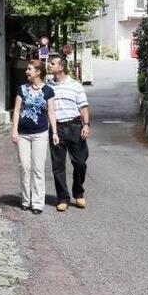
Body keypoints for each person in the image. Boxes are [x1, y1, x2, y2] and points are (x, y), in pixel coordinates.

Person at [10, 59, 58, 215]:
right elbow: (17, 110)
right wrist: (14, 130)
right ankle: (25, 200)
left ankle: (37, 203)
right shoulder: (22, 89)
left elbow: (51, 113)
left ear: (38, 72)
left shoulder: (48, 91)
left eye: (29, 69)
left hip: (40, 134)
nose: (26, 71)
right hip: (23, 135)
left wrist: (54, 132)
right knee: (24, 167)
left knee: (38, 169)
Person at [48, 55, 90, 212]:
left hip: (74, 126)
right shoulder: (48, 86)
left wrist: (86, 125)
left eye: (53, 63)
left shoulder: (75, 85)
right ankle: (62, 198)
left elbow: (83, 106)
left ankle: (78, 193)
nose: (50, 65)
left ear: (61, 67)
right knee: (58, 166)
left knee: (80, 162)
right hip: (56, 128)